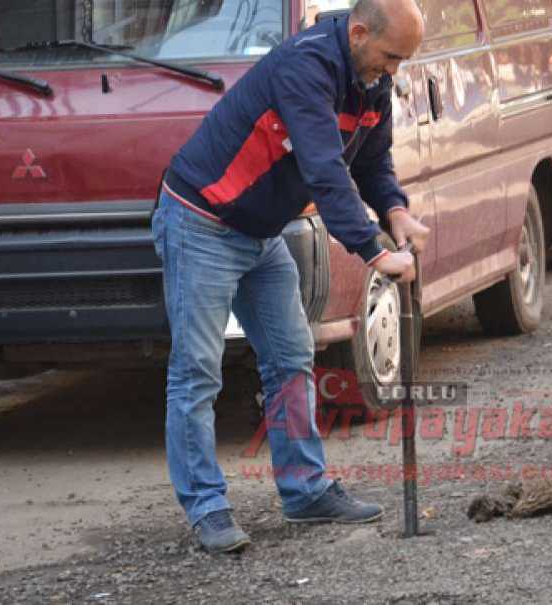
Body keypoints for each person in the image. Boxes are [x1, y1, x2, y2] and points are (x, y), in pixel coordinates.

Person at [151, 0, 429, 553]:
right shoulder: (305, 68)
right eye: (391, 56)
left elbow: (371, 162)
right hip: (201, 221)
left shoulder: (369, 79)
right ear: (357, 32)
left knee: (291, 357)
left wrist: (394, 209)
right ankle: (207, 509)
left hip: (260, 231)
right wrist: (374, 252)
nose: (394, 71)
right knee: (197, 373)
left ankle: (304, 493)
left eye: (403, 60)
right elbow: (323, 168)